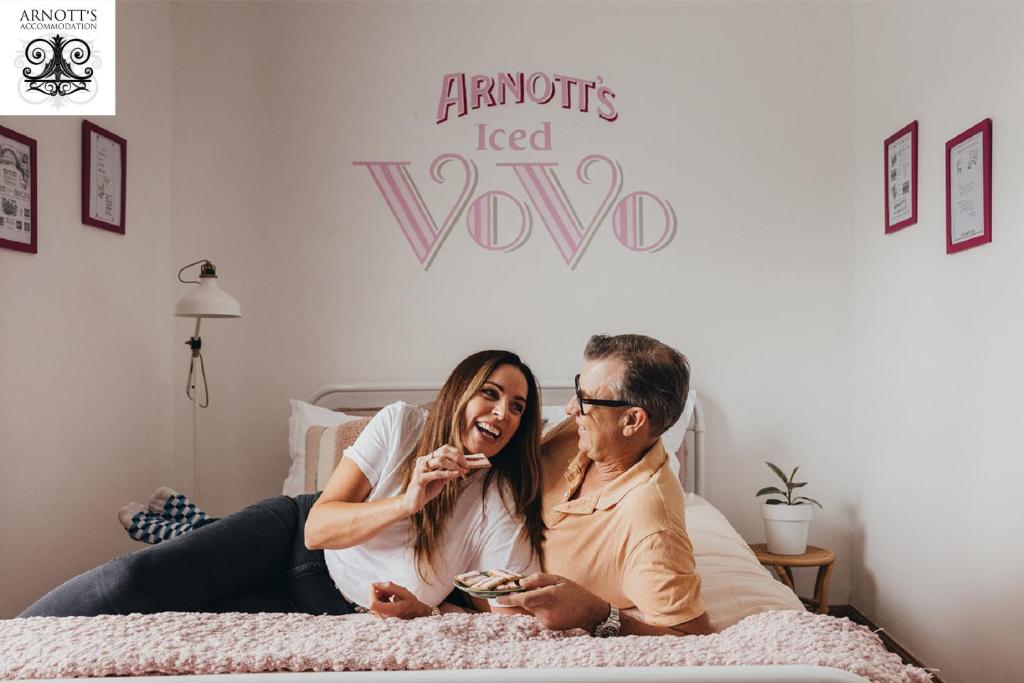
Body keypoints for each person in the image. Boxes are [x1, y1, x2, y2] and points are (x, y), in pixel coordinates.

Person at [19, 350, 543, 618]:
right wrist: (406, 501)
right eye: (491, 394)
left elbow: (502, 612)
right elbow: (318, 528)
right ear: (460, 393)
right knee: (127, 585)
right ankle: (11, 642)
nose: (502, 413)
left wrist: (428, 611)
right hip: (289, 535)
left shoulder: (498, 502)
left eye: (517, 408)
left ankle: (193, 527)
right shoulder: (403, 423)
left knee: (175, 619)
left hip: (322, 609)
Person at [497, 334, 713, 636]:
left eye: (585, 399)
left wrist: (596, 615)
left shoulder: (652, 528)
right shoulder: (576, 435)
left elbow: (694, 640)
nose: (572, 408)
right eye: (578, 389)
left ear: (632, 421)